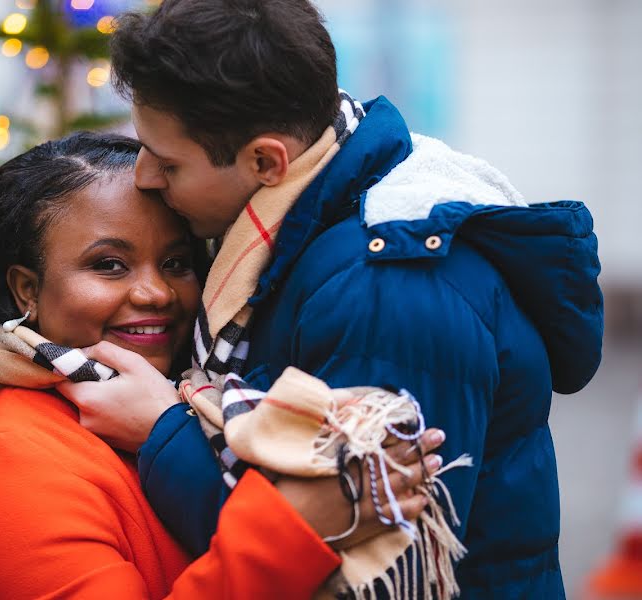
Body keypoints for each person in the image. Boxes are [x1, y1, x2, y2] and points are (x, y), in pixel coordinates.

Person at [56, 0, 605, 597]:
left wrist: (162, 430)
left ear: (267, 161)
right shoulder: (316, 220)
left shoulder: (386, 289)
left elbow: (362, 562)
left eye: (169, 163)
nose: (144, 177)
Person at [0, 132, 445, 599]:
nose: (156, 293)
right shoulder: (6, 466)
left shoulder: (205, 402)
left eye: (176, 263)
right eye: (108, 265)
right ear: (27, 288)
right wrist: (296, 527)